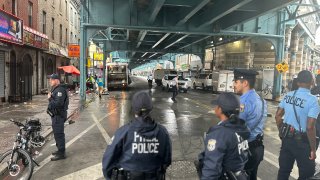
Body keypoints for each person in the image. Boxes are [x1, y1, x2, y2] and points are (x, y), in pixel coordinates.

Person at [102, 91, 172, 180]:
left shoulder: (123, 132)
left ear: (134, 109)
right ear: (150, 108)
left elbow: (107, 163)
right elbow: (167, 160)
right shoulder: (163, 132)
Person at [275, 70, 320, 180]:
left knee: (283, 172)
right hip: (303, 144)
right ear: (311, 82)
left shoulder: (288, 95)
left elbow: (278, 116)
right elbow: (310, 127)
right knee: (306, 175)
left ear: (298, 82)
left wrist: (282, 132)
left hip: (287, 140)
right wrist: (313, 149)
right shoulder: (313, 100)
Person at [196, 92, 250, 180]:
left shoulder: (219, 134)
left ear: (220, 109)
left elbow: (211, 169)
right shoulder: (242, 127)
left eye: (217, 105)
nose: (215, 107)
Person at [233, 69, 267, 180]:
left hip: (245, 150)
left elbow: (236, 127)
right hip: (257, 149)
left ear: (245, 83)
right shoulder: (261, 100)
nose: (234, 85)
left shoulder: (243, 102)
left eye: (236, 82)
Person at [47, 74, 69, 161]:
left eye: (51, 80)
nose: (50, 81)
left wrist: (50, 98)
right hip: (56, 116)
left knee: (59, 134)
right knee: (57, 134)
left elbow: (58, 104)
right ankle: (59, 150)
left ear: (56, 80)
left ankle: (61, 153)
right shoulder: (56, 89)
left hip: (59, 116)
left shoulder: (60, 90)